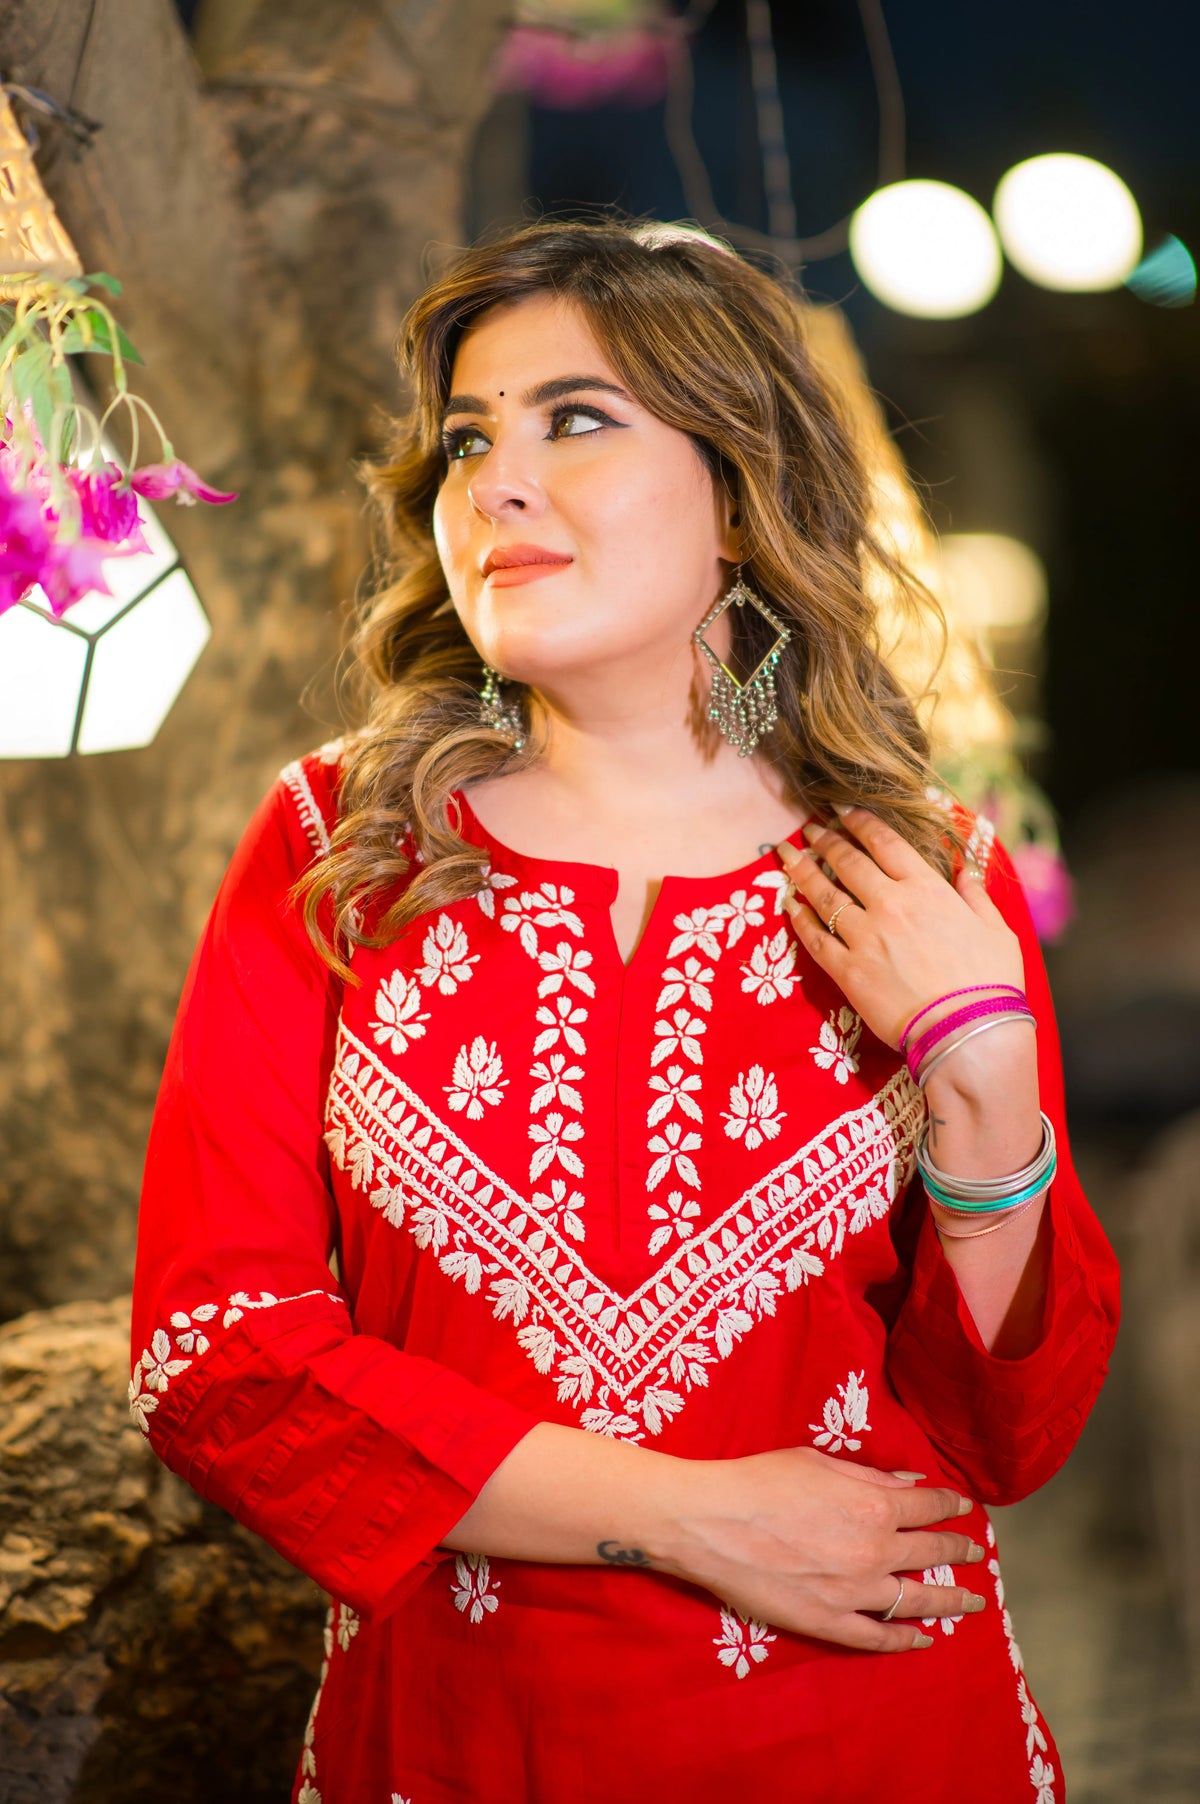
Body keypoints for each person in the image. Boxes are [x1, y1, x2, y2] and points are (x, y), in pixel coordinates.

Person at [130, 219, 1119, 1804]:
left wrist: (988, 1083)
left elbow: (1008, 1436)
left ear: (737, 491)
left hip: (873, 1736)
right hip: (461, 1747)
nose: (496, 485)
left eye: (575, 420)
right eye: (470, 439)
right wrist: (684, 1515)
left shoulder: (926, 874)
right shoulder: (342, 853)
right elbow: (219, 1358)